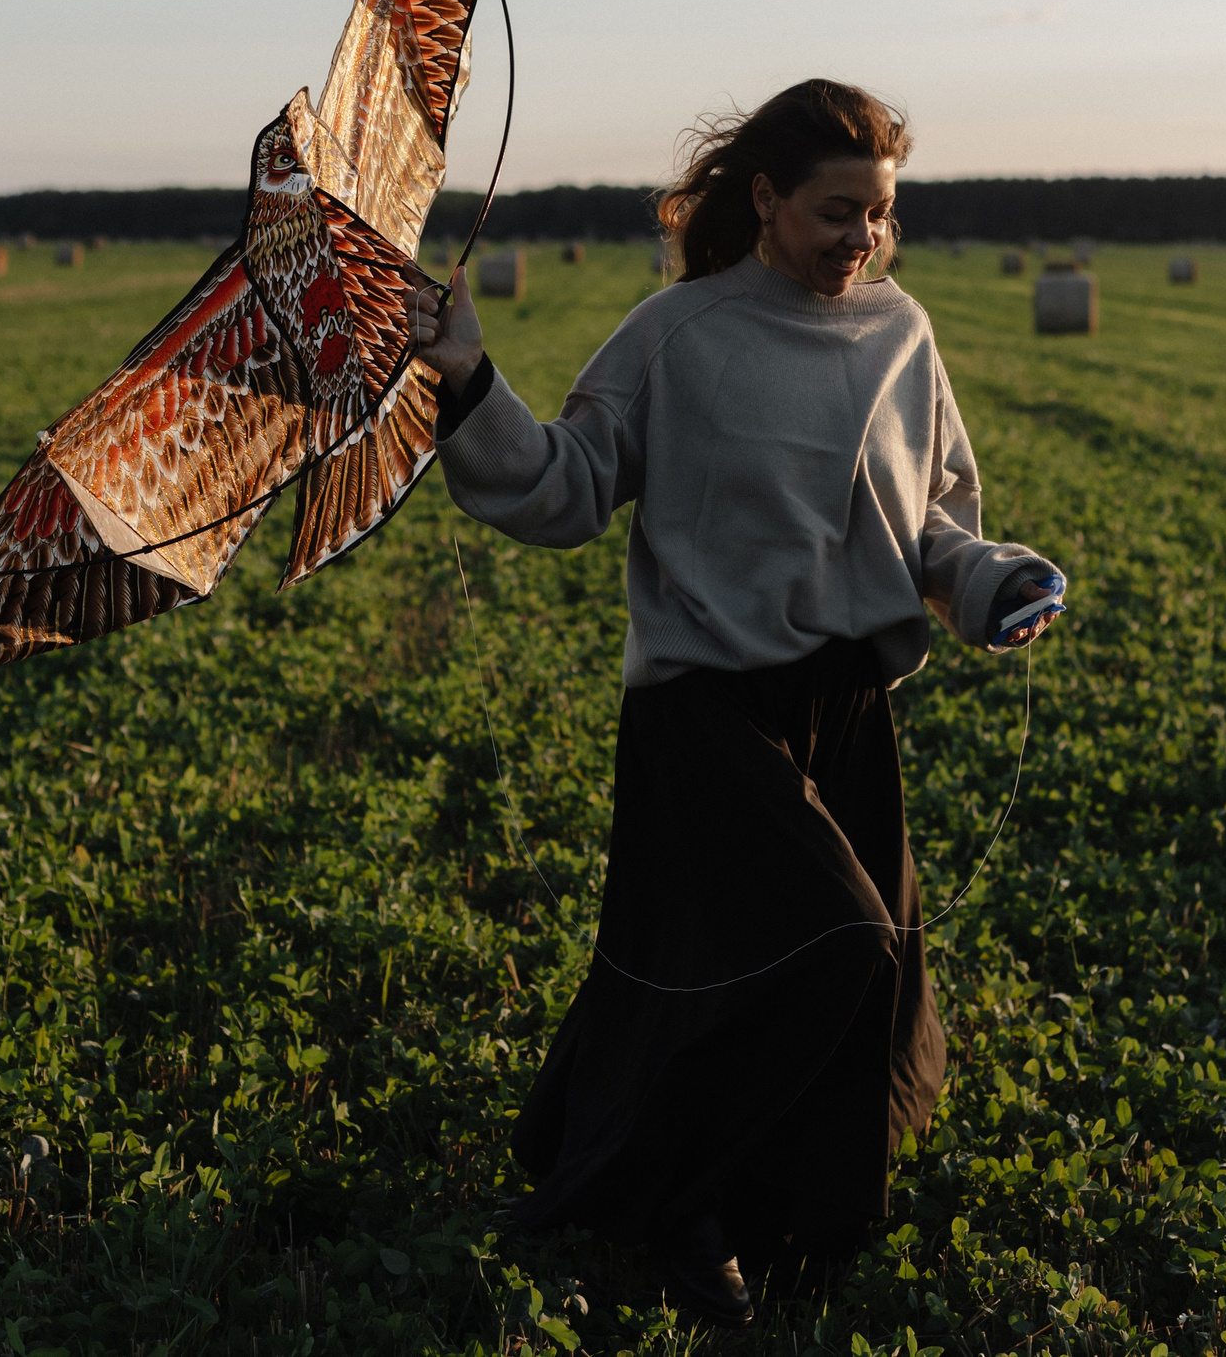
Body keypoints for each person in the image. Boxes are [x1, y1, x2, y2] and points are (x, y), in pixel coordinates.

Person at [405, 79, 1066, 1328]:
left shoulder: (902, 334)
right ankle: (672, 1209)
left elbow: (931, 525)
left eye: (878, 216)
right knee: (830, 944)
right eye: (835, 213)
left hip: (843, 705)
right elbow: (563, 486)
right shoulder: (677, 334)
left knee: (806, 979)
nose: (860, 239)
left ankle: (784, 1219)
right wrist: (469, 380)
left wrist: (995, 584)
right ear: (763, 200)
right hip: (705, 706)